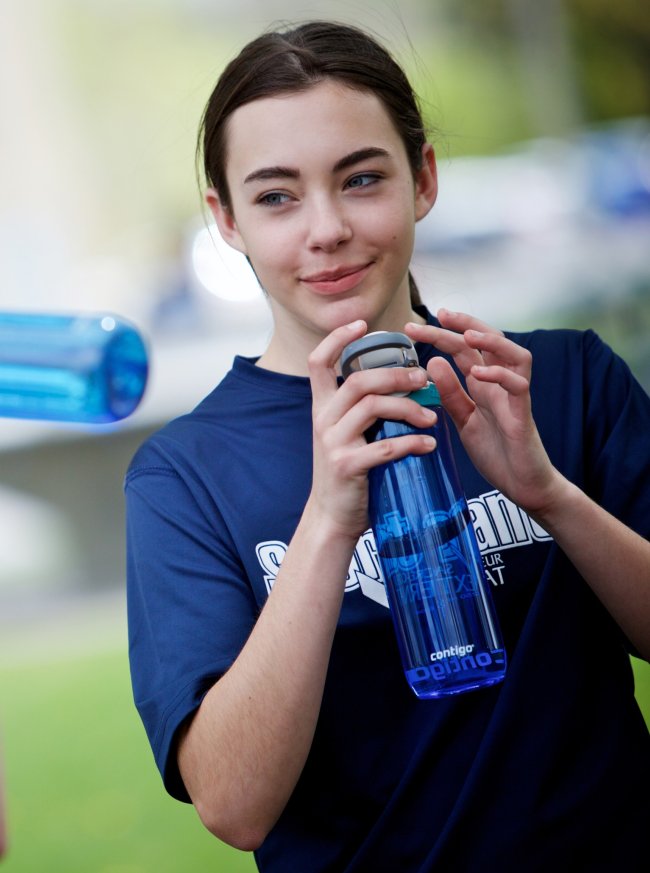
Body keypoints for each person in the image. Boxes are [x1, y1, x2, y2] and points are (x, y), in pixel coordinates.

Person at [125, 20, 650, 872]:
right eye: (277, 196)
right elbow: (232, 804)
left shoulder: (558, 377)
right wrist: (330, 518)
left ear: (424, 178)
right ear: (227, 220)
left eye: (361, 178)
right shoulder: (183, 475)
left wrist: (551, 493)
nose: (325, 229)